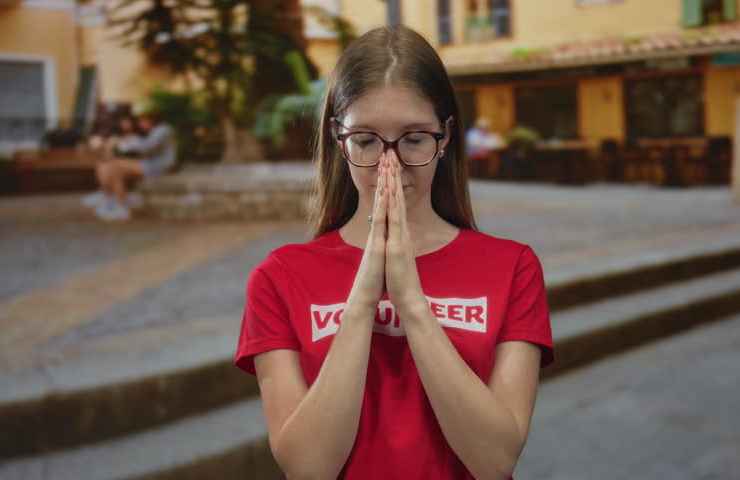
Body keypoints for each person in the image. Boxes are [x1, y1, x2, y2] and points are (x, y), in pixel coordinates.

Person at [234, 24, 553, 480]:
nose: (391, 163)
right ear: (337, 139)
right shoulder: (280, 277)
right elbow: (307, 468)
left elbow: (495, 459)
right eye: (366, 140)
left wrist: (412, 304)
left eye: (414, 139)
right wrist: (363, 299)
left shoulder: (513, 267)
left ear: (444, 137)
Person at [82, 109, 176, 221]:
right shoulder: (157, 130)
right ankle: (115, 202)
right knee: (112, 170)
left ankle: (109, 197)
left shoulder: (163, 130)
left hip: (159, 165)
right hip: (150, 163)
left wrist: (133, 141)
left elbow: (148, 148)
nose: (140, 125)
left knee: (115, 166)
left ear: (150, 120)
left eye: (142, 122)